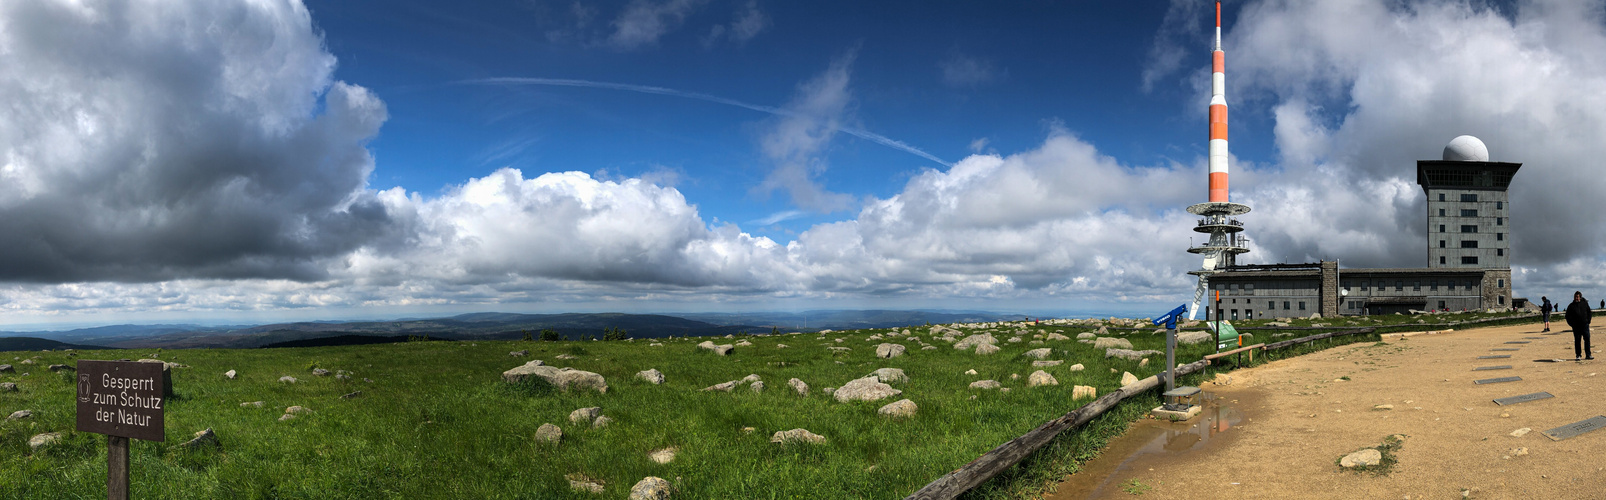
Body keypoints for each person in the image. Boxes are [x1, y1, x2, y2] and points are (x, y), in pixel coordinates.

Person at [1564, 291, 1593, 361]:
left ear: (1580, 297)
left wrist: (1588, 321)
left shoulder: (1584, 303)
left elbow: (1589, 312)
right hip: (1576, 327)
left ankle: (1588, 355)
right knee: (1577, 341)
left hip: (1585, 325)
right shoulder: (1571, 306)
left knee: (1587, 340)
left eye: (1577, 297)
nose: (1576, 298)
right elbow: (1567, 316)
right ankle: (1578, 355)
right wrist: (1572, 324)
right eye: (1575, 297)